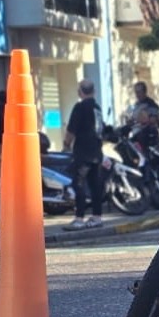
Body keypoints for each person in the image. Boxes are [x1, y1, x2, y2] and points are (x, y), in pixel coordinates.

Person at [62, 79, 105, 230]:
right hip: (96, 152)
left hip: (83, 152)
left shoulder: (80, 107)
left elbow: (71, 130)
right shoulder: (97, 108)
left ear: (80, 91)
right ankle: (97, 217)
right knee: (95, 186)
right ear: (93, 91)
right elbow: (101, 130)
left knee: (78, 184)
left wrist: (66, 144)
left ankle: (79, 218)